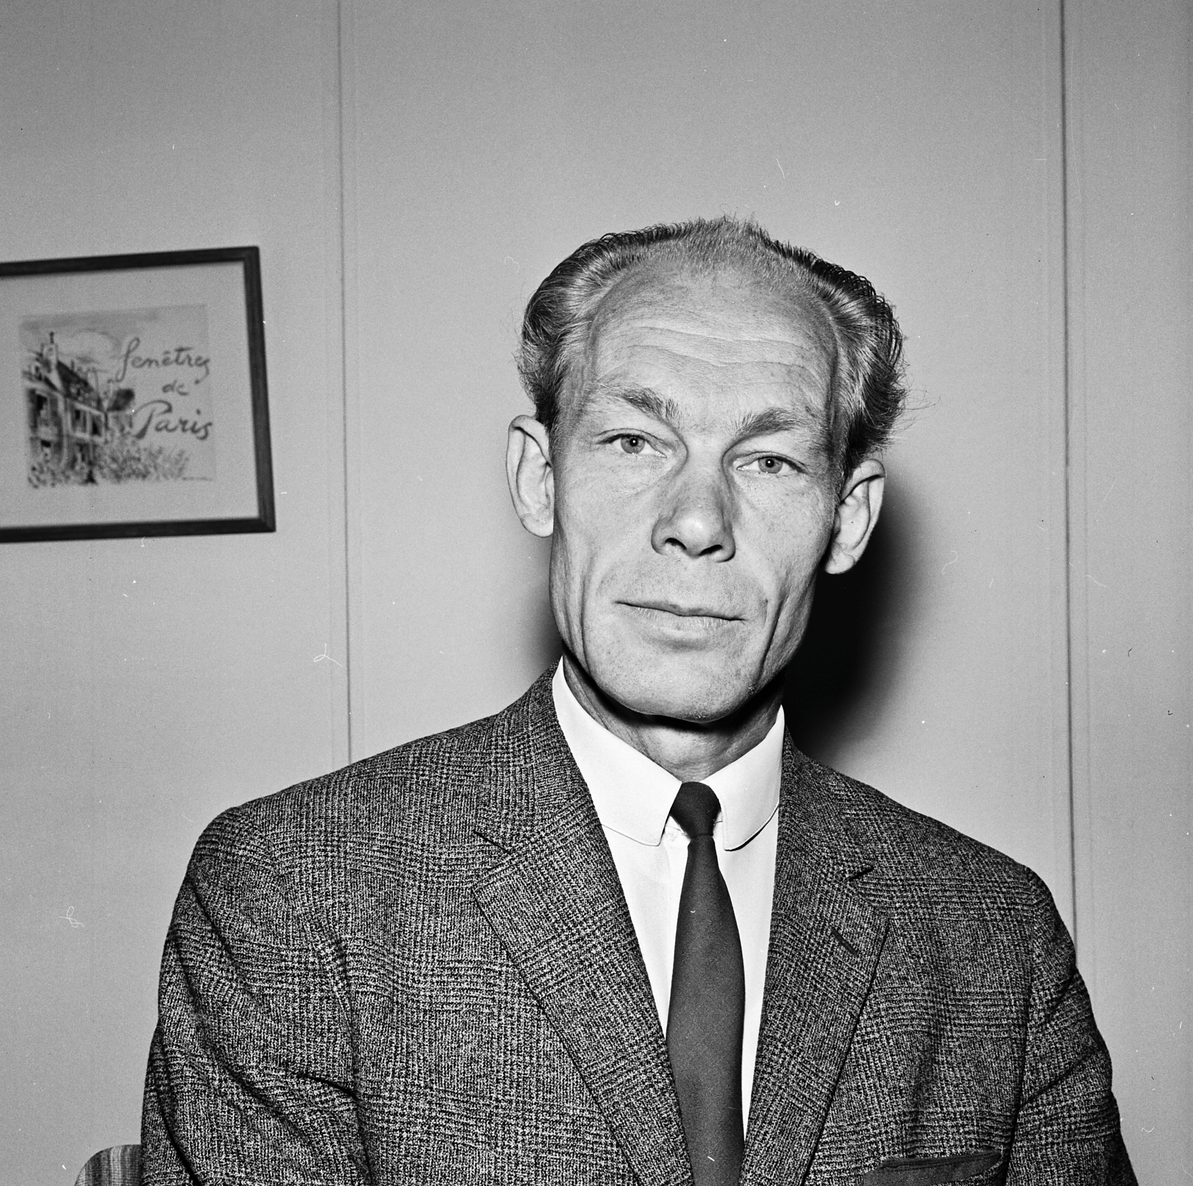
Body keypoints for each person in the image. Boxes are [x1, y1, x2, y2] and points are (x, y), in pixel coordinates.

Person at [142, 217, 1135, 1185]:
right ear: (540, 478)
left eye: (770, 461)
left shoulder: (996, 938)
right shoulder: (295, 892)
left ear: (848, 518)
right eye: (633, 441)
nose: (698, 521)